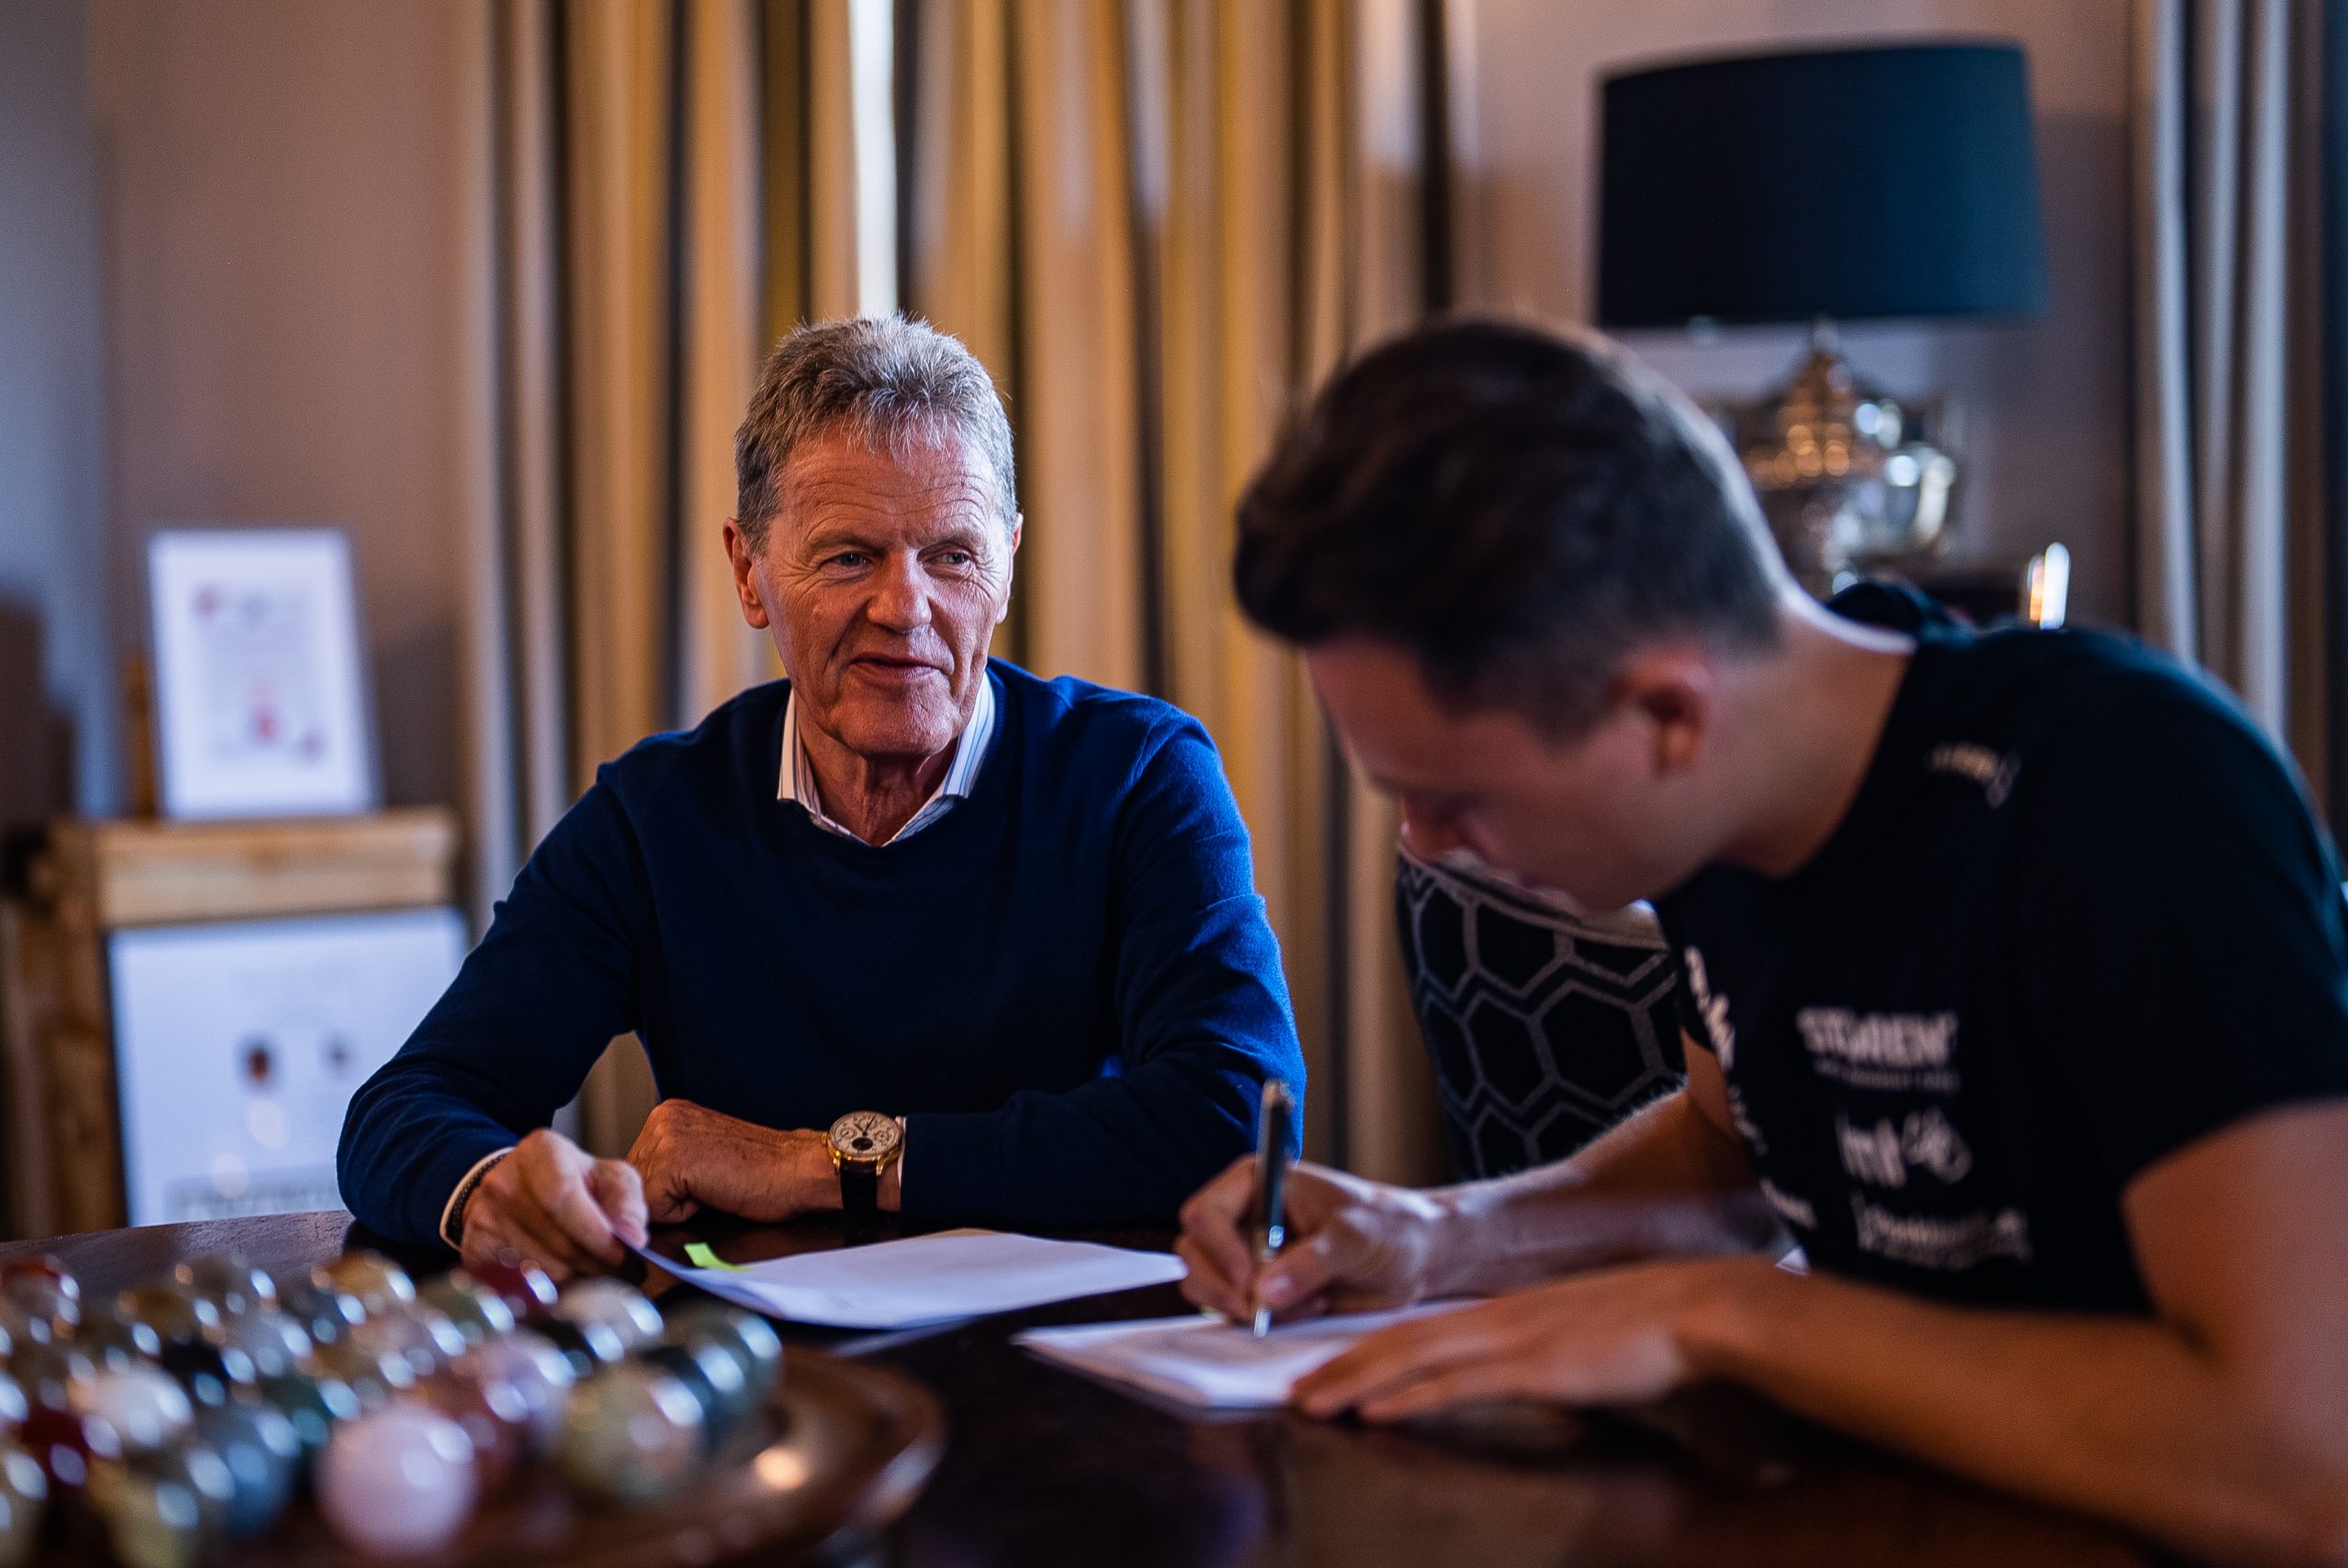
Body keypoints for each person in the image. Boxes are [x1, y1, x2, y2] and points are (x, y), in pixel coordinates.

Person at [1177, 318, 2348, 1566]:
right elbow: (1732, 1150)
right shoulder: (1724, 820)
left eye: (1456, 793)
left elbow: (2299, 1461)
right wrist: (1436, 1237)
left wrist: (1730, 1318)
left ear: (1668, 715)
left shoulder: (2126, 798)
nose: (1423, 844)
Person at [340, 315, 1302, 1277]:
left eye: (952, 555)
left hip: (1066, 1340)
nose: (906, 607)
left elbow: (1239, 1114)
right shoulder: (655, 816)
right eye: (849, 557)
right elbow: (407, 1109)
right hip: (758, 1352)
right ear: (748, 572)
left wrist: (817, 1165)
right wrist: (497, 1190)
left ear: (1007, 565)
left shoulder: (1139, 775)